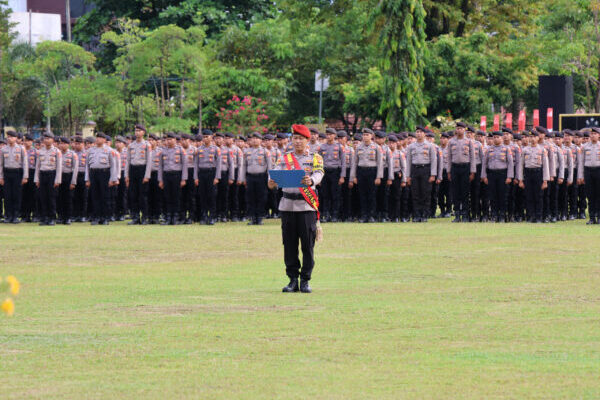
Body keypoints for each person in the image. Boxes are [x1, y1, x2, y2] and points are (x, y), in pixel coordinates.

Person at [268, 124, 324, 293]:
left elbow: (319, 173)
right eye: (295, 138)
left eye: (301, 139)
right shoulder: (284, 158)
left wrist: (312, 181)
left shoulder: (315, 158)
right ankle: (292, 279)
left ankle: (305, 280)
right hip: (287, 206)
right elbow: (274, 173)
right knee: (289, 245)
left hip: (306, 206)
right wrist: (271, 182)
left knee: (307, 245)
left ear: (308, 140)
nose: (298, 141)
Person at [349, 128, 383, 223]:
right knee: (362, 195)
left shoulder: (376, 147)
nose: (365, 137)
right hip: (361, 172)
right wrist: (353, 177)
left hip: (372, 171)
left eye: (367, 135)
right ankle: (364, 215)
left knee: (372, 195)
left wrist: (378, 177)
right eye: (364, 135)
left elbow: (380, 163)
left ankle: (371, 215)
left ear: (371, 136)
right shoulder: (359, 147)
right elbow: (354, 163)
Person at [405, 127, 437, 222]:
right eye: (417, 132)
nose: (418, 134)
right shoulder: (411, 146)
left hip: (425, 169)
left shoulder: (430, 146)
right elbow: (408, 161)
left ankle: (424, 215)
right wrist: (408, 176)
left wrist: (433, 174)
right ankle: (416, 215)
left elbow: (433, 160)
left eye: (420, 132)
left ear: (424, 134)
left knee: (425, 193)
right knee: (415, 194)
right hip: (415, 170)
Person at [85, 132, 118, 225]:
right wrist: (87, 179)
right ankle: (96, 217)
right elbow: (87, 166)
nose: (98, 139)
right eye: (97, 137)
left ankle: (105, 217)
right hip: (93, 173)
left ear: (104, 140)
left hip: (104, 173)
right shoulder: (90, 150)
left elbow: (113, 165)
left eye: (100, 138)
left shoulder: (109, 150)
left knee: (105, 197)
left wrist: (113, 179)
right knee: (95, 197)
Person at [481, 131, 514, 222]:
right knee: (493, 196)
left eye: (497, 137)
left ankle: (502, 215)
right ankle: (494, 215)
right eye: (494, 137)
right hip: (491, 174)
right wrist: (484, 176)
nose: (495, 139)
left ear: (502, 138)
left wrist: (509, 176)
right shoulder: (489, 149)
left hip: (503, 174)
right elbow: (484, 163)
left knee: (502, 196)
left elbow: (510, 164)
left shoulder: (506, 149)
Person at [239, 132, 270, 225]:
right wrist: (243, 178)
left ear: (261, 140)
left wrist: (270, 179)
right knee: (250, 198)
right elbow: (243, 166)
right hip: (250, 177)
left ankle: (260, 217)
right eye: (253, 138)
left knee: (261, 197)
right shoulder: (246, 151)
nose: (255, 140)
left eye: (257, 138)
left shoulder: (265, 151)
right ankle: (252, 217)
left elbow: (269, 166)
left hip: (261, 177)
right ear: (250, 140)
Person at [447, 122, 476, 222]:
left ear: (464, 130)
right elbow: (449, 157)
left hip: (465, 168)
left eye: (461, 128)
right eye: (457, 128)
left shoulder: (469, 142)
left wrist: (472, 171)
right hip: (455, 168)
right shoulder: (451, 142)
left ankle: (465, 214)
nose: (459, 130)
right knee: (455, 192)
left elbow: (472, 157)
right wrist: (448, 171)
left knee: (464, 192)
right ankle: (457, 215)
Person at [158, 132, 188, 225]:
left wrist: (183, 179)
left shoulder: (180, 150)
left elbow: (184, 165)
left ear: (175, 140)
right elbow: (160, 166)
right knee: (167, 196)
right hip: (166, 175)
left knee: (176, 196)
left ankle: (175, 217)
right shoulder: (163, 151)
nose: (168, 141)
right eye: (167, 139)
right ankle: (168, 217)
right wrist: (160, 180)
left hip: (177, 175)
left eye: (170, 139)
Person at [126, 124, 152, 225]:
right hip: (133, 170)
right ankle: (135, 217)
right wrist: (126, 175)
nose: (137, 133)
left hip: (142, 169)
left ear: (143, 133)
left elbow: (149, 161)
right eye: (136, 131)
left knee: (143, 195)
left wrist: (147, 175)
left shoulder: (147, 145)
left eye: (139, 131)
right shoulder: (131, 145)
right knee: (133, 195)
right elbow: (128, 161)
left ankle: (145, 217)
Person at [318, 128, 346, 222]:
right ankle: (326, 215)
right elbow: (318, 162)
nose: (328, 136)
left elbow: (343, 162)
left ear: (334, 136)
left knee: (335, 195)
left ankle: (335, 215)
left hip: (335, 172)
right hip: (325, 172)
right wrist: (319, 177)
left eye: (330, 134)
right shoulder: (322, 147)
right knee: (325, 195)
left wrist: (342, 176)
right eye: (327, 134)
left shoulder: (339, 147)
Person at [34, 131, 62, 226]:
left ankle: (52, 218)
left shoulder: (56, 151)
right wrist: (37, 179)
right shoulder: (40, 151)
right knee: (43, 197)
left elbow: (59, 167)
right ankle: (44, 217)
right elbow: (37, 166)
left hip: (52, 175)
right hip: (42, 175)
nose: (46, 140)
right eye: (45, 138)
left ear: (52, 140)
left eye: (48, 138)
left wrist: (57, 180)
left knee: (51, 198)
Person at [0, 130, 28, 223]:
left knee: (16, 195)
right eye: (8, 137)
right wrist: (1, 177)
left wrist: (25, 176)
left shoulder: (21, 149)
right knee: (7, 196)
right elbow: (1, 164)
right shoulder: (3, 149)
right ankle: (8, 216)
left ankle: (15, 216)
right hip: (7, 173)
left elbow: (25, 163)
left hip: (17, 173)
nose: (9, 138)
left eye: (11, 137)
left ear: (16, 138)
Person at [577, 127, 600, 224]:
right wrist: (580, 176)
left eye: (595, 133)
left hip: (599, 171)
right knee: (590, 195)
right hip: (588, 171)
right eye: (592, 134)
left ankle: (599, 217)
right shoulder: (585, 147)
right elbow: (581, 162)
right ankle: (591, 217)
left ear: (598, 135)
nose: (593, 135)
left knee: (599, 195)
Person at [56, 137, 78, 224]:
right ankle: (60, 216)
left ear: (68, 145)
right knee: (59, 198)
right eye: (61, 143)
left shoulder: (72, 154)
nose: (62, 145)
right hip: (59, 177)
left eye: (64, 143)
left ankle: (68, 217)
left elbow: (75, 169)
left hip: (68, 177)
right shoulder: (57, 153)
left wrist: (73, 182)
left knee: (68, 198)